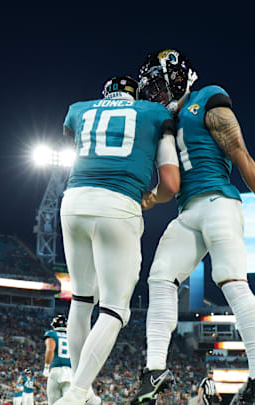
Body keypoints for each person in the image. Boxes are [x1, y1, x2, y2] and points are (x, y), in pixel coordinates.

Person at [132, 49, 255, 405]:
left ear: (177, 78)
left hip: (220, 201)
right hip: (187, 211)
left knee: (232, 282)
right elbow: (166, 179)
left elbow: (239, 152)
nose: (156, 95)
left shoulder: (207, 99)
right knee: (159, 278)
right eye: (151, 89)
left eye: (160, 86)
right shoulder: (165, 122)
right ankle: (154, 369)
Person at [57, 75, 180, 405]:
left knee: (81, 301)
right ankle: (77, 393)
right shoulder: (154, 113)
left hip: (74, 200)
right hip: (119, 203)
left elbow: (79, 142)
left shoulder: (80, 109)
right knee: (113, 308)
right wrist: (152, 197)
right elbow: (170, 183)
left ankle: (85, 392)